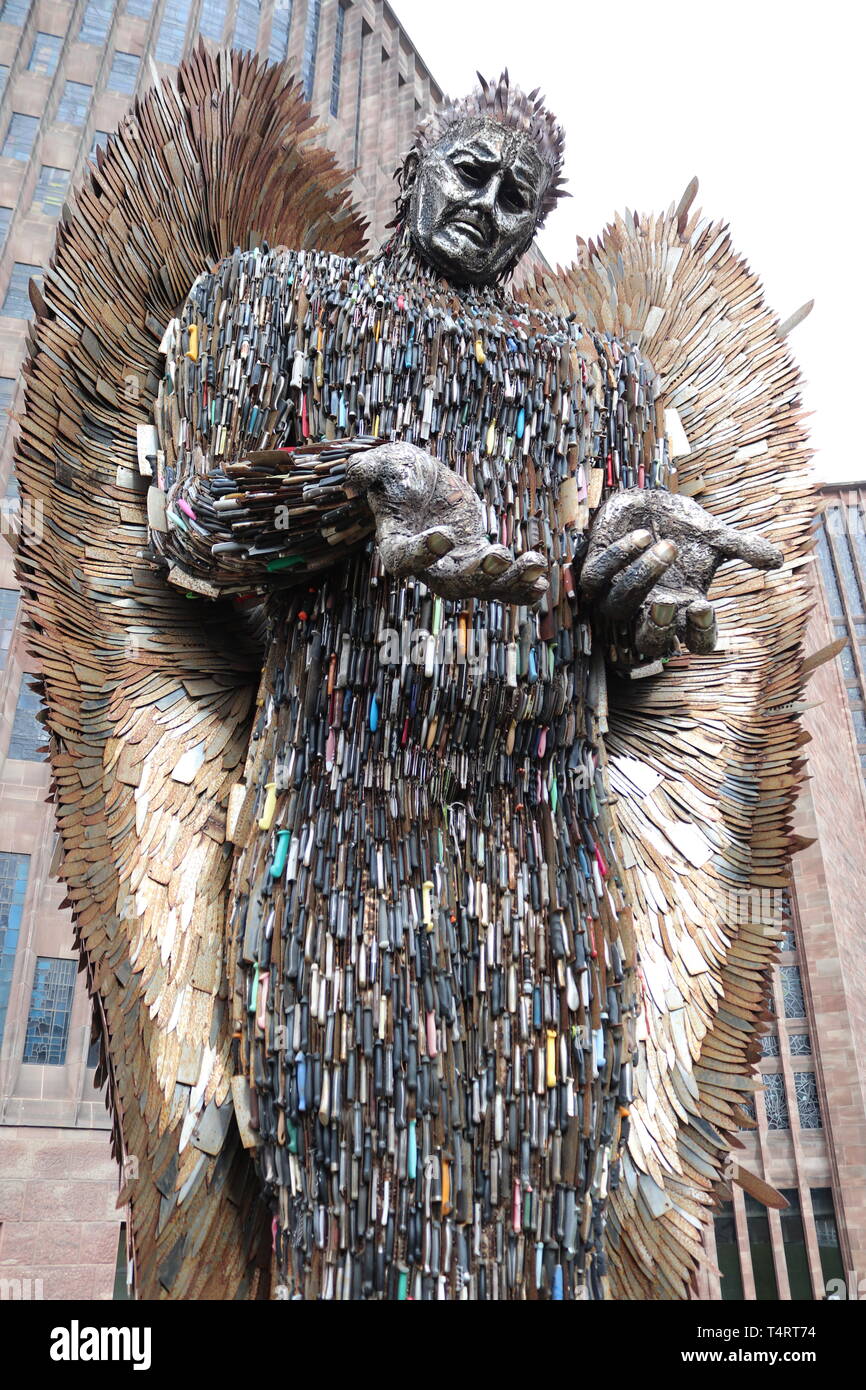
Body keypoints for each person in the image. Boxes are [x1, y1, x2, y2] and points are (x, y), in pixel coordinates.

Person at [150, 72, 782, 1300]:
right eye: (470, 172)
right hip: (334, 831)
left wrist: (639, 576)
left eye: (517, 196)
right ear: (418, 162)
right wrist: (353, 483)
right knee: (338, 1180)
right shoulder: (279, 301)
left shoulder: (604, 382)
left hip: (543, 851)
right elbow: (185, 526)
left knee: (545, 1180)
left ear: (538, 222)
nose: (487, 208)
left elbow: (632, 634)